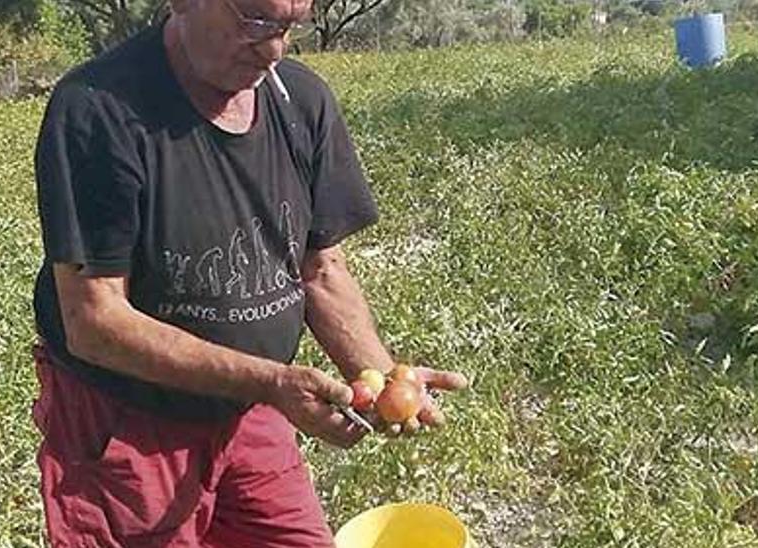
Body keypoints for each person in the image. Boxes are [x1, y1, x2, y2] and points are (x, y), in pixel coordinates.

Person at [28, 0, 469, 546]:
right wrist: (272, 382)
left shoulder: (301, 102)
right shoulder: (100, 110)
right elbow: (94, 322)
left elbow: (321, 270)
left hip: (247, 412)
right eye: (254, 20)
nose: (274, 48)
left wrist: (381, 379)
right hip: (129, 423)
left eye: (289, 26)